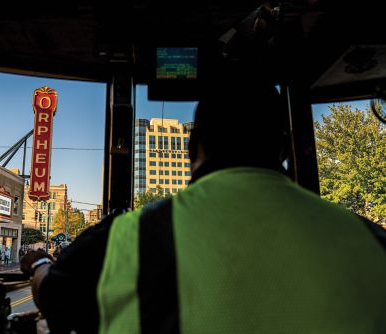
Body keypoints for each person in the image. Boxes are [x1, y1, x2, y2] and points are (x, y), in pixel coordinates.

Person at [21, 64, 386, 333]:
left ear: (192, 149)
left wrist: (37, 263)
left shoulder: (126, 238)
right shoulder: (371, 240)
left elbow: (54, 297)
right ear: (286, 147)